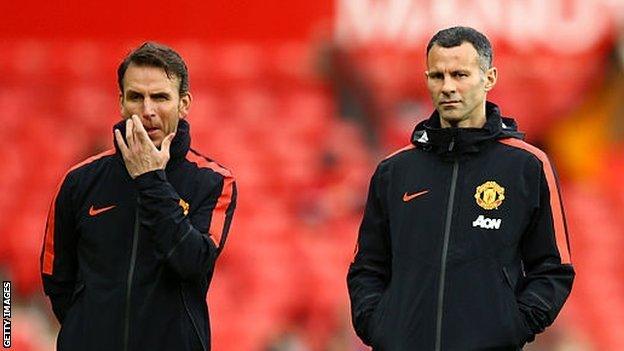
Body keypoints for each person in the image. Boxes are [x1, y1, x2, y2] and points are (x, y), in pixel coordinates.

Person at [347, 26, 575, 350]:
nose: (448, 87)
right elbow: (367, 267)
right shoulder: (393, 171)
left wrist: (511, 326)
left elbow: (554, 268)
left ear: (489, 78)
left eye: (460, 74)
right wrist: (381, 326)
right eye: (437, 76)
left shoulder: (527, 167)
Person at [40, 42, 236, 351]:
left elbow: (191, 261)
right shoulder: (79, 181)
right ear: (121, 103)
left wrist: (150, 180)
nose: (148, 111)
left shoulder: (212, 181)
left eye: (160, 97)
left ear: (184, 104)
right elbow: (56, 277)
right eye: (136, 97)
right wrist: (88, 329)